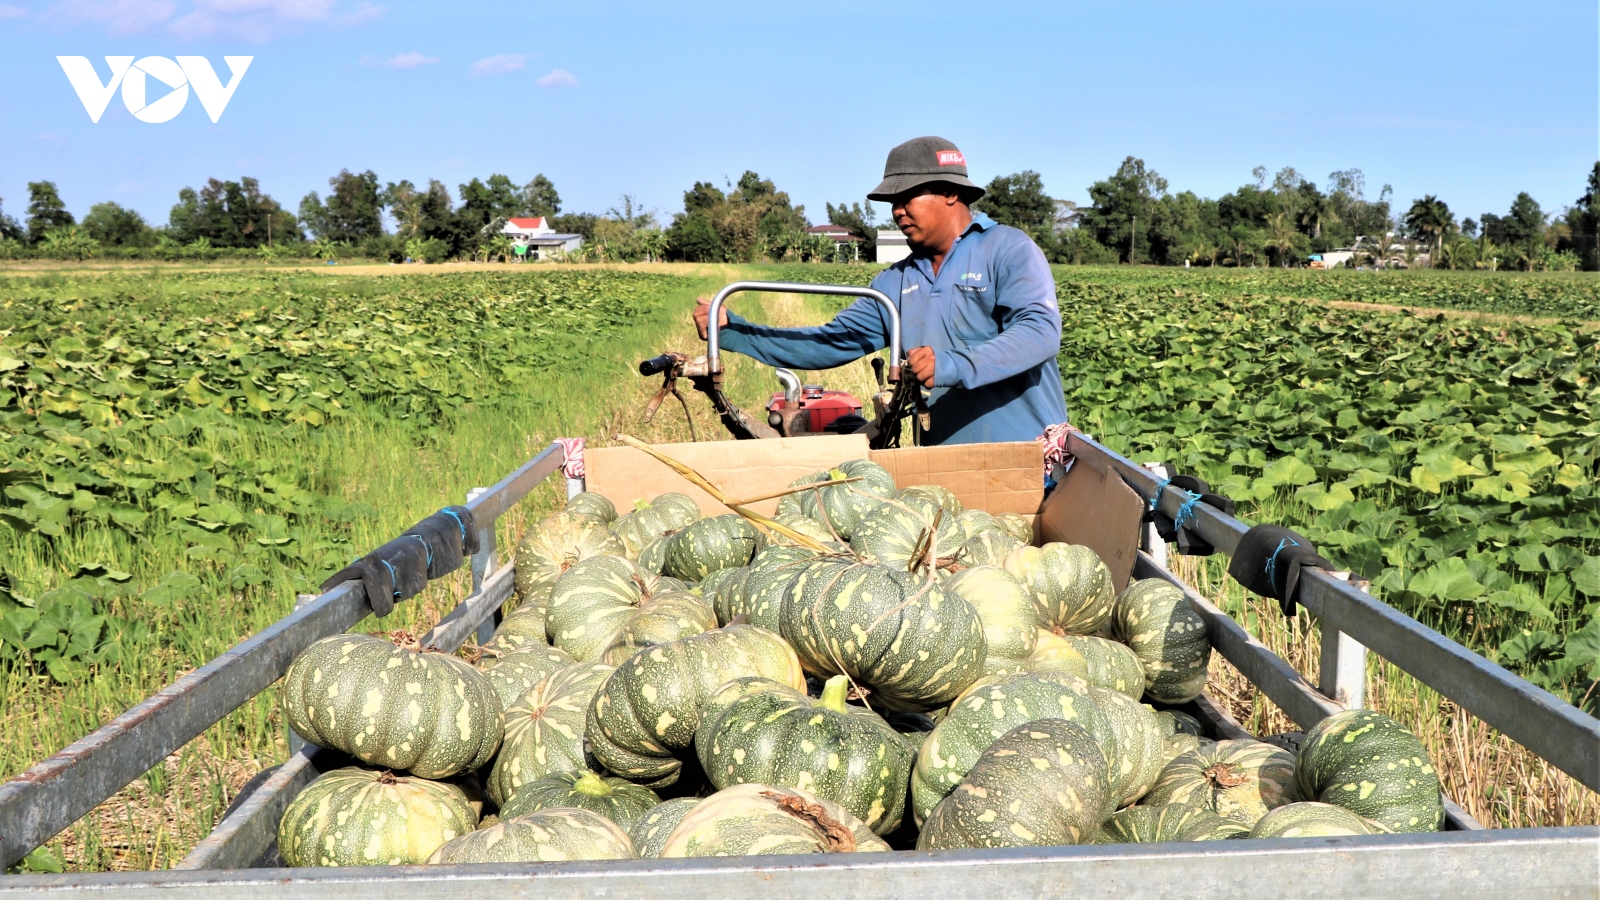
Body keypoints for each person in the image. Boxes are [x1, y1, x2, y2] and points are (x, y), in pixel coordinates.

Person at [693, 135, 1067, 445]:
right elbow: (829, 342)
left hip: (1026, 458)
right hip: (941, 469)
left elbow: (1039, 333)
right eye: (892, 203)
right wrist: (733, 332)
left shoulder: (1007, 250)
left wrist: (952, 364)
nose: (898, 211)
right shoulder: (895, 283)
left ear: (950, 192)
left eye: (907, 197)